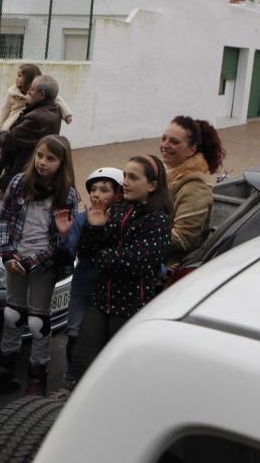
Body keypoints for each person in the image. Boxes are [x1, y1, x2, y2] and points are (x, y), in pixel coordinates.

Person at [0, 135, 78, 397]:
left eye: (51, 159)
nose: (43, 163)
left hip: (43, 264)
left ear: (62, 163)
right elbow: (4, 218)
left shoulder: (67, 195)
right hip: (15, 259)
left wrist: (32, 260)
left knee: (37, 320)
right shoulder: (20, 182)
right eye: (40, 156)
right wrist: (7, 253)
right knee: (12, 314)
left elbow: (64, 240)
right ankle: (5, 364)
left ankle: (37, 373)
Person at [61, 155, 171, 396]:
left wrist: (107, 254)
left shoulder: (158, 220)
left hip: (130, 307)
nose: (126, 181)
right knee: (81, 361)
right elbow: (87, 252)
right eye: (125, 176)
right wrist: (94, 227)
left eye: (133, 177)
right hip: (101, 301)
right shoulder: (119, 211)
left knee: (117, 368)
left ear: (152, 185)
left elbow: (136, 262)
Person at [54, 166, 123, 390]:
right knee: (74, 332)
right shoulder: (83, 218)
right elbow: (73, 251)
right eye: (93, 189)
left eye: (104, 190)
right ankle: (71, 378)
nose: (96, 194)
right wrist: (65, 234)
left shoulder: (122, 220)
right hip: (83, 287)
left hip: (111, 290)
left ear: (118, 194)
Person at [0, 64, 72, 193]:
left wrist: (0, 136)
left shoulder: (35, 117)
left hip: (20, 171)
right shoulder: (52, 109)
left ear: (42, 94)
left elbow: (10, 140)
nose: (28, 92)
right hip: (26, 169)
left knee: (6, 205)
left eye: (32, 89)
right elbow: (5, 111)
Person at [159, 116, 225, 266]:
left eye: (174, 141)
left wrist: (140, 234)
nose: (165, 145)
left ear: (192, 150)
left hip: (171, 269)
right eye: (164, 139)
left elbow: (183, 239)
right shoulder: (168, 175)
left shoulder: (195, 186)